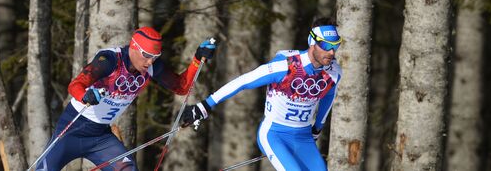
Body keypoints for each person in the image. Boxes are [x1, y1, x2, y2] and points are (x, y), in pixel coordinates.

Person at [35, 27, 216, 171]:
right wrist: (85, 95)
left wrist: (197, 59)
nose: (150, 62)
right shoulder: (110, 60)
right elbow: (75, 85)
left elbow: (181, 87)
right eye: (147, 55)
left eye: (155, 57)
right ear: (134, 47)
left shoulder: (151, 68)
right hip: (73, 130)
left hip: (100, 137)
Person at [181, 18, 342, 171]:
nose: (331, 52)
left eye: (335, 46)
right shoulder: (285, 67)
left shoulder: (333, 72)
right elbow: (243, 81)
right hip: (274, 134)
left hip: (303, 137)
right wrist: (204, 105)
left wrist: (317, 128)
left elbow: (328, 97)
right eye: (325, 46)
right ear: (312, 42)